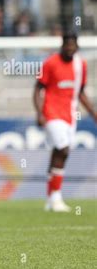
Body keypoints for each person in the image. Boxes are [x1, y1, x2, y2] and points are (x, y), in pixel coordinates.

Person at [33, 33, 96, 212]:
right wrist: (39, 113)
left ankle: (50, 199)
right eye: (67, 45)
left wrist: (93, 113)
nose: (70, 48)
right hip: (51, 113)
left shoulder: (80, 65)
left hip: (70, 115)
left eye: (72, 45)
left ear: (77, 46)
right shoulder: (50, 63)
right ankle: (57, 197)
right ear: (62, 45)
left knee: (57, 153)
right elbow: (38, 89)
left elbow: (80, 92)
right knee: (63, 149)